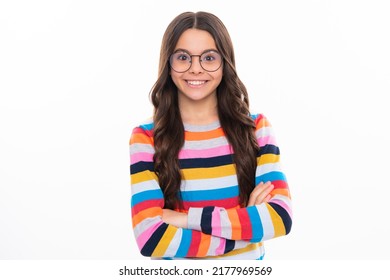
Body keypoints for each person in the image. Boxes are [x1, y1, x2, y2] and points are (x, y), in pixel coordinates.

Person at [129, 11, 292, 260]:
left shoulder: (256, 128)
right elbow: (151, 239)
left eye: (209, 57)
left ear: (225, 62)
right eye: (183, 57)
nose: (196, 69)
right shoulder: (146, 137)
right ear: (168, 64)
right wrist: (245, 231)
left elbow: (280, 218)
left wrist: (184, 219)